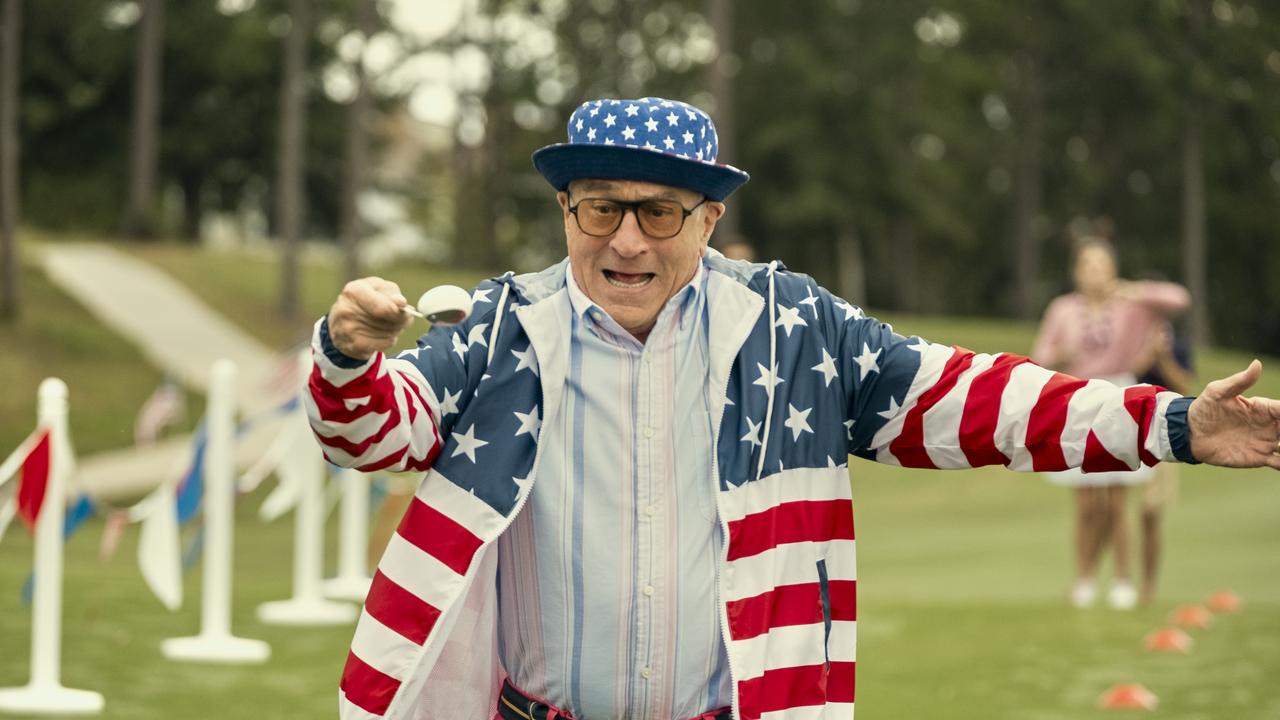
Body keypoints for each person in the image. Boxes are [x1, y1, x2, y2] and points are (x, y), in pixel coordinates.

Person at [308, 97, 1280, 720]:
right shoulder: (498, 326)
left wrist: (1173, 424)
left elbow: (972, 397)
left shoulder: (790, 326)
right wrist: (348, 356)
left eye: (659, 211)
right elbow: (371, 433)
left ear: (709, 219)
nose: (626, 241)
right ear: (566, 209)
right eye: (600, 207)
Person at [1030, 237, 1191, 610]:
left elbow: (1178, 299)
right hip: (1076, 397)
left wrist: (1133, 290)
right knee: (1086, 503)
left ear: (1113, 270)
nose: (1095, 273)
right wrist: (1061, 354)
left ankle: (1122, 580)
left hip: (1119, 395)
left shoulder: (1131, 306)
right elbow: (1040, 354)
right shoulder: (1063, 309)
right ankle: (1084, 579)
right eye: (1088, 266)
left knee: (1117, 500)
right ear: (1077, 272)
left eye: (1101, 265)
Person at [1132, 320, 1196, 603]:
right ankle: (1118, 582)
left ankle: (1147, 586)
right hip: (1126, 432)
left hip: (1162, 437)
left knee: (1149, 513)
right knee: (1113, 510)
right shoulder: (1129, 340)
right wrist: (1147, 353)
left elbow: (1185, 386)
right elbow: (1125, 375)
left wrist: (1163, 358)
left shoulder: (1178, 347)